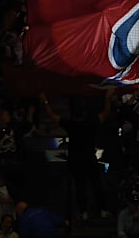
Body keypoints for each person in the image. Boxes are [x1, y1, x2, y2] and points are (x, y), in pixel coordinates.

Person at [41, 90, 112, 220]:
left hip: (76, 160)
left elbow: (52, 116)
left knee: (80, 186)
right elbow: (106, 113)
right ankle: (103, 210)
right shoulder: (90, 122)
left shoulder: (70, 124)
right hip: (89, 158)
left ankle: (83, 212)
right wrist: (107, 97)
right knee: (96, 185)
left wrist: (45, 101)